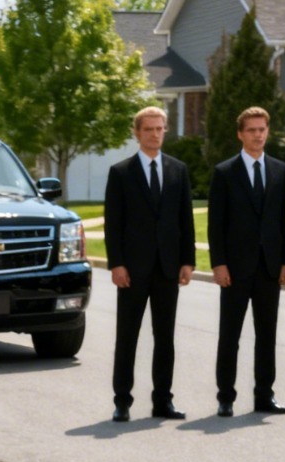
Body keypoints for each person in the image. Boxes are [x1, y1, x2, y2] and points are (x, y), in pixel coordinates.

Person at [104, 106, 195, 422]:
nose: (155, 134)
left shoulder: (177, 171)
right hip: (132, 269)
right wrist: (117, 264)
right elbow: (113, 223)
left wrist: (187, 260)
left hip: (168, 268)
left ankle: (163, 401)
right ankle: (122, 401)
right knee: (127, 336)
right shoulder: (121, 173)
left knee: (165, 338)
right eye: (149, 129)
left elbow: (185, 219)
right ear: (137, 133)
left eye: (159, 129)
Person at [208, 106, 285, 417]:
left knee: (266, 335)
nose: (258, 135)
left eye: (262, 129)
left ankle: (264, 396)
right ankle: (225, 397)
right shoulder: (224, 172)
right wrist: (219, 264)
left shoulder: (280, 171)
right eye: (252, 130)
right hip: (235, 268)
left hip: (270, 266)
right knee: (229, 335)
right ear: (240, 134)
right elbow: (215, 224)